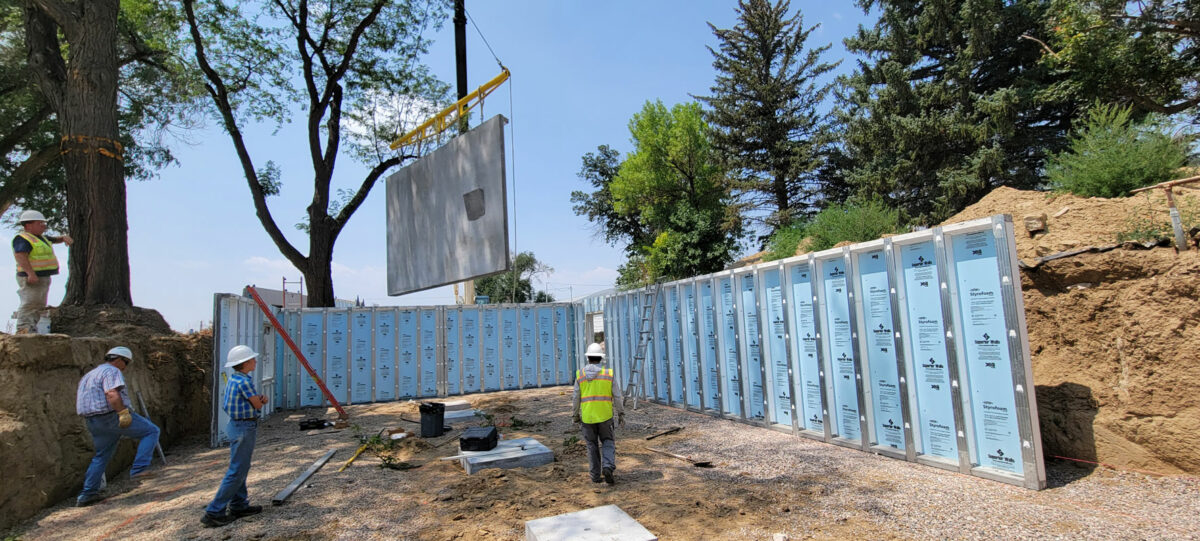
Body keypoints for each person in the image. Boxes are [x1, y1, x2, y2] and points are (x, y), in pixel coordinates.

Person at [75, 346, 161, 507]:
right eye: (126, 363)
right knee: (151, 431)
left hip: (93, 421)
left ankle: (87, 494)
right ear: (120, 360)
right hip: (110, 416)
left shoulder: (89, 375)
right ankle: (139, 469)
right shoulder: (111, 372)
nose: (125, 367)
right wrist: (122, 412)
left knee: (101, 456)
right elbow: (111, 393)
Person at [202, 345, 268, 528]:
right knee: (237, 470)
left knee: (240, 468)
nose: (255, 361)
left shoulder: (234, 379)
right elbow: (257, 405)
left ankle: (239, 505)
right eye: (252, 359)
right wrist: (263, 399)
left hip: (235, 425)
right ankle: (214, 512)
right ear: (245, 362)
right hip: (244, 427)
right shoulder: (245, 382)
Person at [572, 342, 625, 485]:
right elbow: (617, 396)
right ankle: (607, 466)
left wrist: (575, 415)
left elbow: (576, 397)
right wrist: (621, 414)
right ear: (601, 358)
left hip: (588, 418)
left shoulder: (580, 375)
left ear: (588, 358)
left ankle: (595, 476)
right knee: (608, 441)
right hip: (605, 416)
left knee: (591, 445)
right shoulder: (608, 374)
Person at [11, 209, 72, 333]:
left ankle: (31, 328)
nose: (44, 226)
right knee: (30, 303)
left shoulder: (40, 237)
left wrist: (63, 238)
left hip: (42, 277)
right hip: (31, 277)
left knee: (38, 304)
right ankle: (24, 329)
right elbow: (20, 256)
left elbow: (53, 239)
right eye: (40, 223)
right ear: (28, 225)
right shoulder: (23, 238)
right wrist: (31, 274)